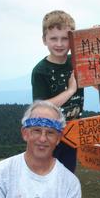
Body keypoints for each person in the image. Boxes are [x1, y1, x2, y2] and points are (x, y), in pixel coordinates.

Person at [31, 10, 84, 173]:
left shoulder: (76, 61)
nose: (59, 44)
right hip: (48, 137)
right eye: (54, 38)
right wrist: (70, 91)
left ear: (72, 39)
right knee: (46, 178)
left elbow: (97, 51)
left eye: (65, 38)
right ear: (44, 40)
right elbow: (41, 108)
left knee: (67, 178)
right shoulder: (41, 71)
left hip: (73, 134)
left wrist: (97, 32)